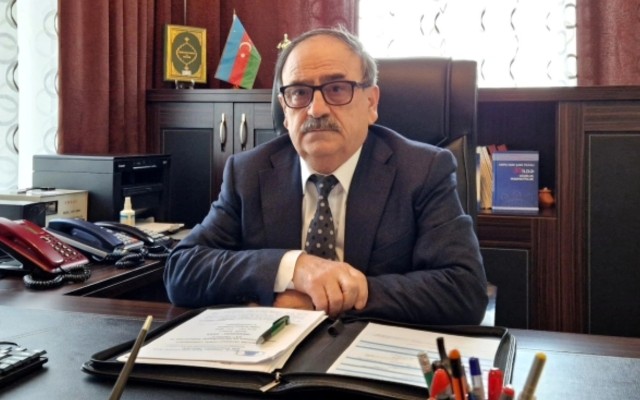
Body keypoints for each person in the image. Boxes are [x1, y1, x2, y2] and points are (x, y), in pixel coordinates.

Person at [164, 27, 488, 325]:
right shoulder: (248, 172)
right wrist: (293, 268)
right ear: (285, 110)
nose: (316, 109)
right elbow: (182, 270)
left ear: (371, 102)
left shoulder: (423, 170)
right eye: (299, 93)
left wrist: (336, 297)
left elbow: (464, 289)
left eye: (336, 89)